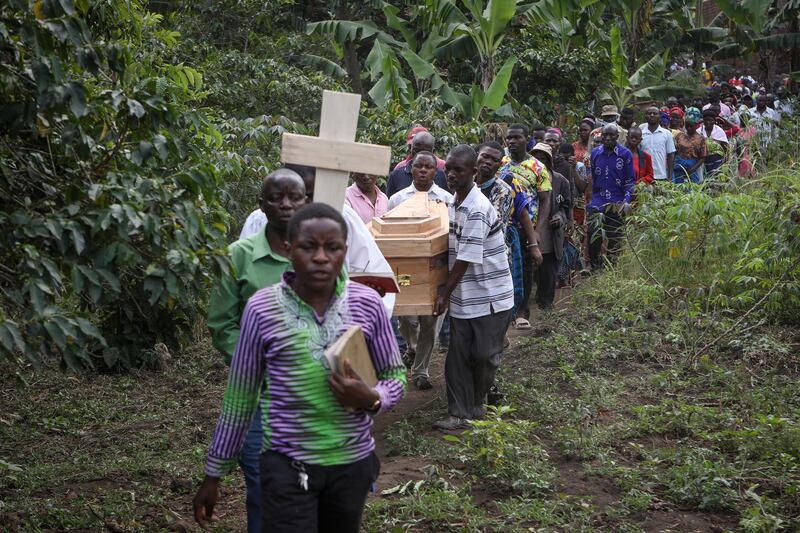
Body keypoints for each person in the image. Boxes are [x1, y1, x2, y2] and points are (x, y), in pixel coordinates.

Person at [194, 203, 406, 533]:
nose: (321, 257)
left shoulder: (367, 304)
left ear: (344, 251)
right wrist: (213, 473)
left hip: (350, 463)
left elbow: (394, 376)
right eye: (309, 247)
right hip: (286, 465)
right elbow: (241, 397)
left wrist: (372, 397)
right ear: (289, 250)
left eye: (332, 248)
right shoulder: (261, 309)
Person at [206, 168, 307, 533]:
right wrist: (261, 362)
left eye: (294, 197)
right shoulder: (238, 256)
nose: (285, 204)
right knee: (265, 489)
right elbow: (222, 325)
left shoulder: (321, 252)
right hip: (259, 399)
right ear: (260, 205)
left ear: (306, 201)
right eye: (276, 197)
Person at [240, 164, 396, 316]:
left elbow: (375, 272)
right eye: (288, 195)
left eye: (306, 196)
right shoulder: (258, 221)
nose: (291, 205)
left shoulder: (343, 217)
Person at [432, 145, 514, 430]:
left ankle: (477, 405)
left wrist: (444, 294)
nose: (451, 175)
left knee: (483, 356)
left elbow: (465, 259)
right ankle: (459, 413)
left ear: (474, 173)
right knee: (457, 356)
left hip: (491, 296)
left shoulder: (477, 208)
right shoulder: (455, 202)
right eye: (449, 169)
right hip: (466, 297)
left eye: (458, 170)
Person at [391, 152, 453, 390]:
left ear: (435, 172)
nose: (424, 171)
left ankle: (421, 371)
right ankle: (412, 347)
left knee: (431, 320)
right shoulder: (397, 199)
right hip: (407, 268)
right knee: (407, 318)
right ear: (411, 169)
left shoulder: (446, 198)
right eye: (419, 167)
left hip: (436, 269)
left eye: (429, 167)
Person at [500, 124, 551, 329]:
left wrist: (537, 231)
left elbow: (545, 200)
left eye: (517, 138)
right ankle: (506, 312)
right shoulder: (501, 163)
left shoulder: (537, 166)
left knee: (526, 268)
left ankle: (522, 311)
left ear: (526, 139)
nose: (512, 141)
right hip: (504, 226)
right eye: (509, 138)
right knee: (506, 268)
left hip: (527, 226)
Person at [530, 143, 571, 309]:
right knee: (531, 273)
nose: (539, 162)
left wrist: (559, 217)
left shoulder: (561, 181)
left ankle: (546, 306)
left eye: (543, 159)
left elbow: (566, 207)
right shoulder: (524, 179)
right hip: (530, 231)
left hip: (550, 233)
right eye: (536, 159)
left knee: (548, 271)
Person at [588, 124, 635, 270]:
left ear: (617, 136)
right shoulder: (595, 153)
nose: (607, 138)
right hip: (597, 202)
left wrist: (626, 202)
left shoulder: (625, 154)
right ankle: (595, 269)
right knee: (593, 237)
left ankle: (611, 270)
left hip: (617, 202)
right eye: (605, 135)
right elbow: (593, 178)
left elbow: (630, 180)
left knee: (614, 239)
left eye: (611, 135)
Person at [386, 131, 449, 198]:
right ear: (410, 148)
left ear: (432, 152)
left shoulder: (443, 177)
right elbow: (390, 205)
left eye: (425, 151)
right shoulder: (396, 176)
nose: (420, 155)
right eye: (417, 150)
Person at [639, 106, 676, 182]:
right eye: (649, 113)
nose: (652, 115)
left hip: (661, 176)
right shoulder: (641, 134)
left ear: (659, 116)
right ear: (645, 116)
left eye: (655, 113)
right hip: (644, 176)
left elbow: (670, 156)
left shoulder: (667, 134)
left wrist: (669, 177)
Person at [673, 107, 706, 184]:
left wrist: (692, 169)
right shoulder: (679, 136)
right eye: (687, 126)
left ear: (696, 125)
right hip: (678, 168)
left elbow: (703, 157)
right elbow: (675, 152)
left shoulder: (701, 139)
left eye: (691, 126)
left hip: (693, 168)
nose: (689, 128)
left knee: (692, 189)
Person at [700, 108, 728, 176]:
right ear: (703, 120)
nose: (708, 122)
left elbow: (725, 147)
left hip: (717, 160)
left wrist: (726, 161)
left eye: (710, 120)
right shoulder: (699, 131)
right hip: (702, 161)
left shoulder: (719, 131)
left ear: (714, 121)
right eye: (706, 120)